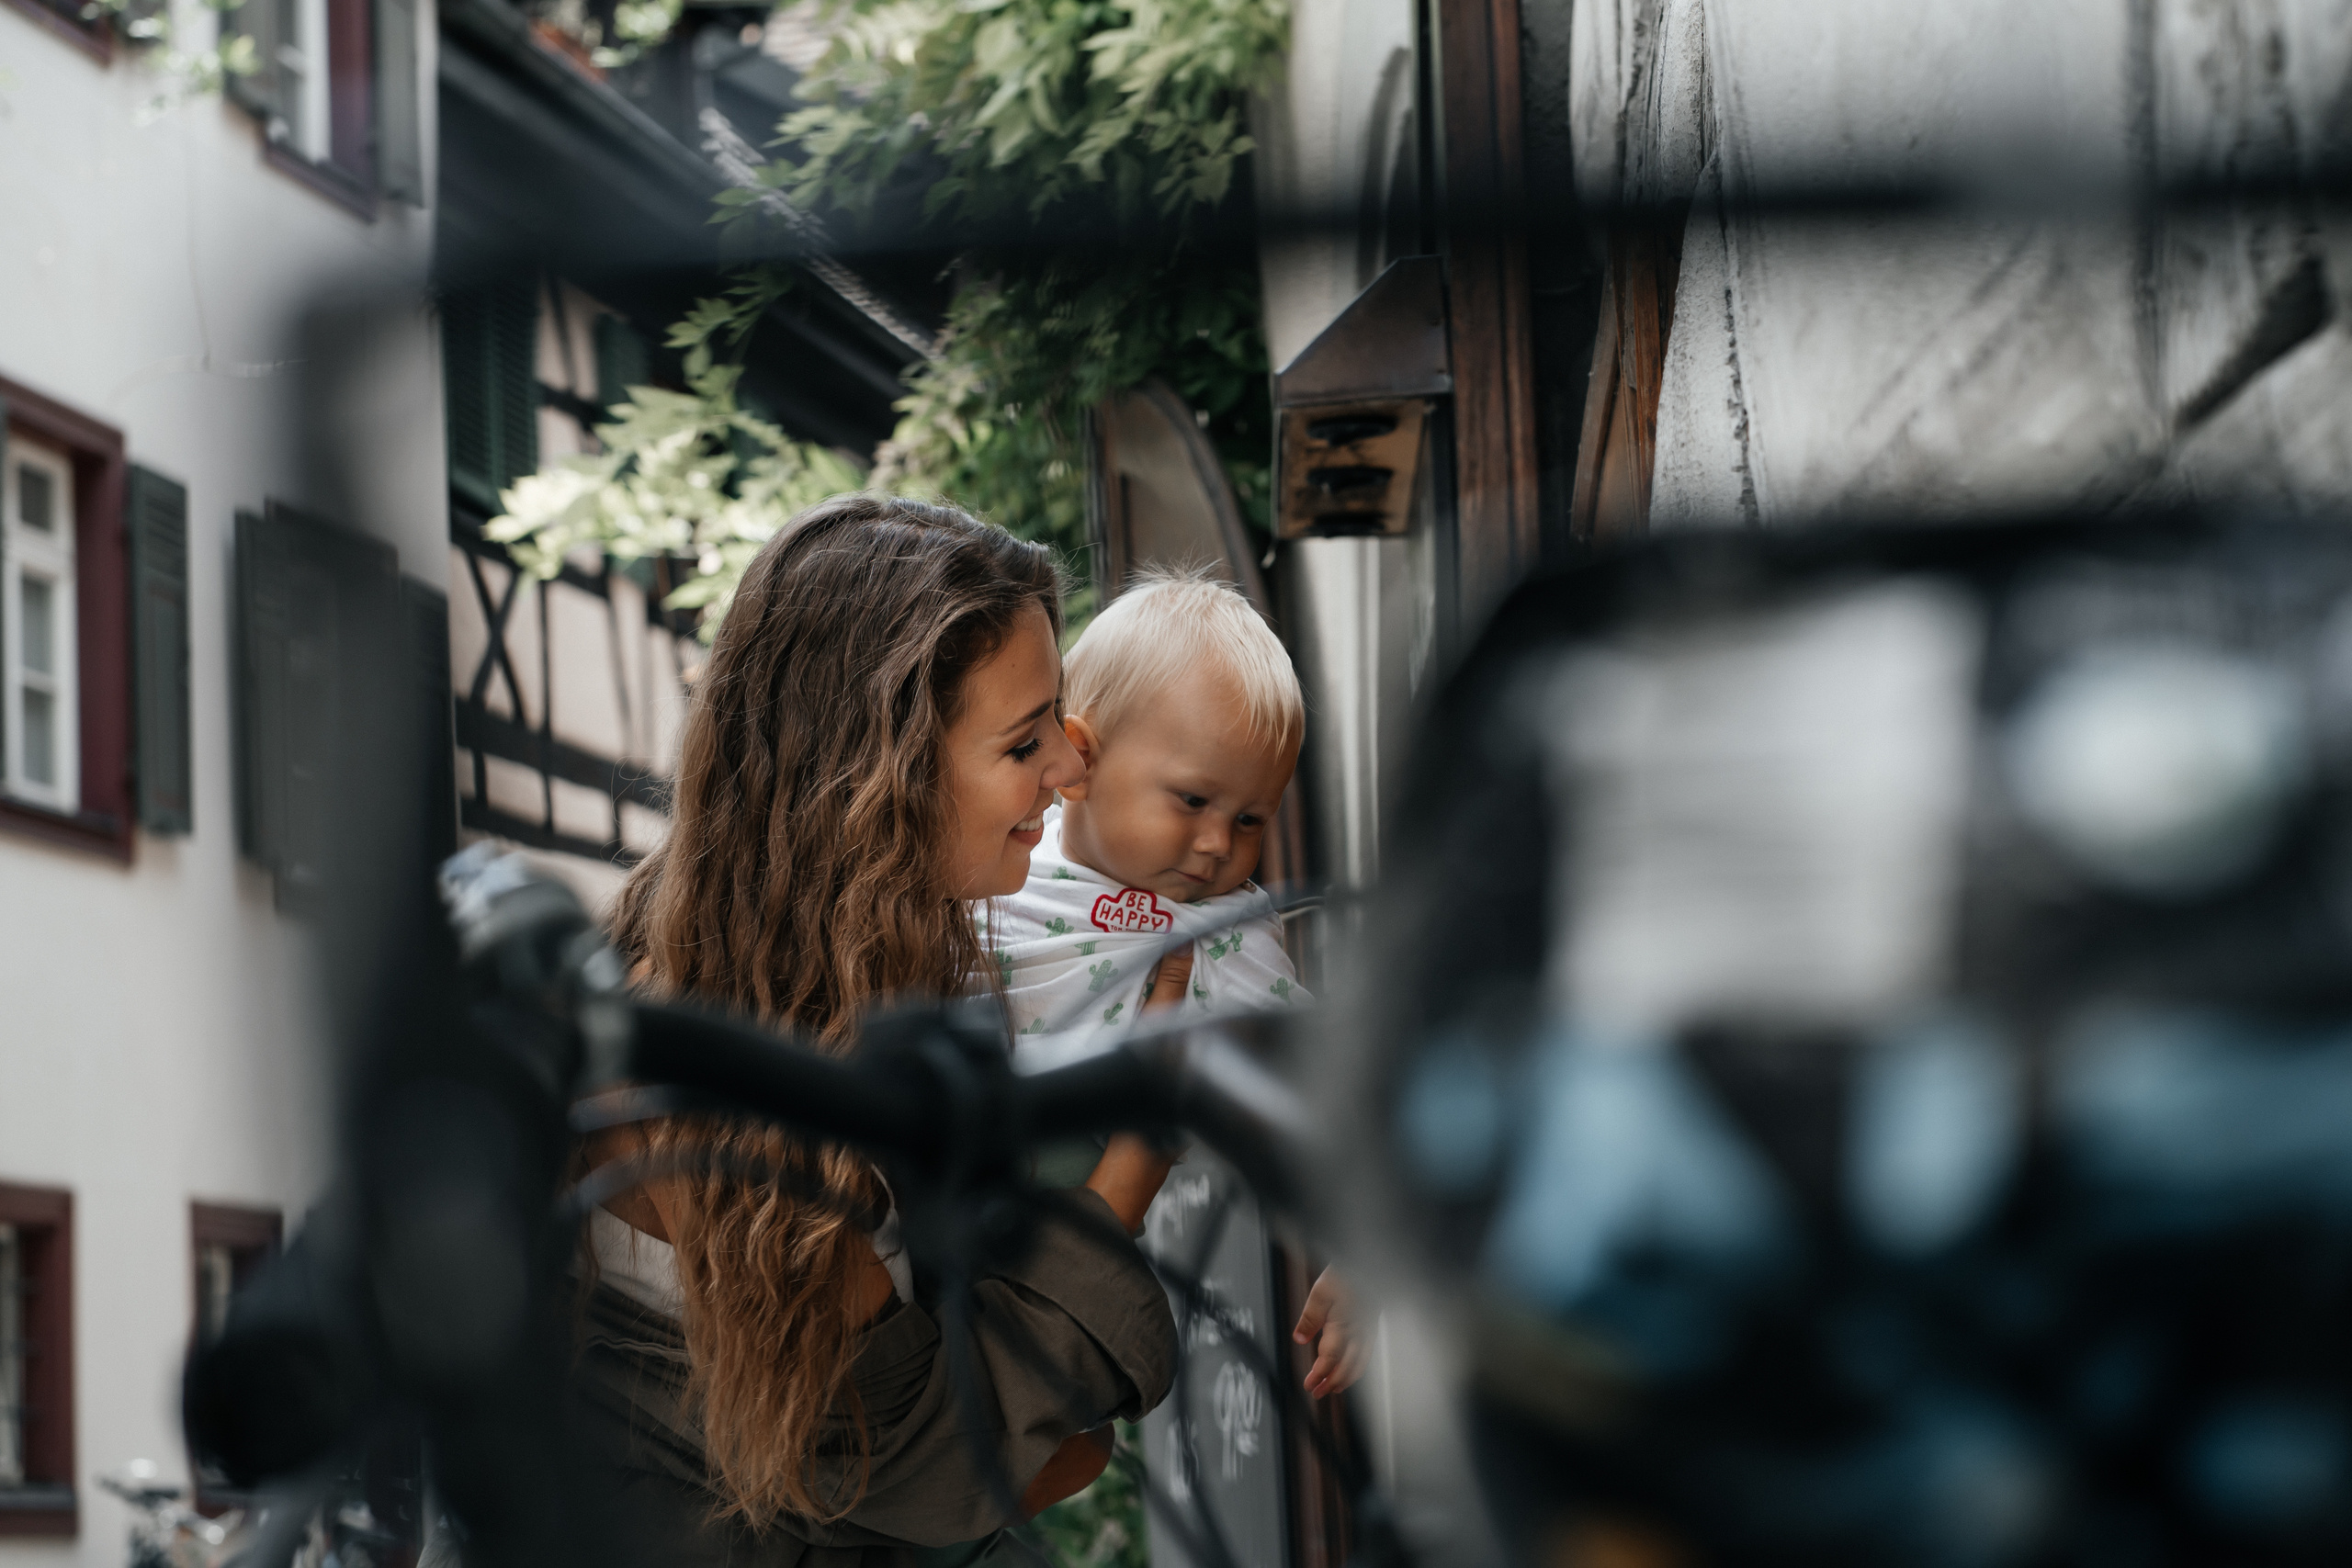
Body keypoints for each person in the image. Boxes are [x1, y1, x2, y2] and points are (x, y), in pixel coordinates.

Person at [571, 495, 1180, 1568]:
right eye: (1023, 739)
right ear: (879, 773)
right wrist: (1142, 1143)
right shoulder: (720, 1076)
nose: (1072, 770)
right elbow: (940, 1466)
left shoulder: (811, 985)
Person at [986, 568, 1363, 1400]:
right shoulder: (1002, 854)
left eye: (1249, 818)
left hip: (1054, 1216)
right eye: (1192, 799)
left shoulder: (1217, 931)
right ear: (1077, 759)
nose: (1216, 844)